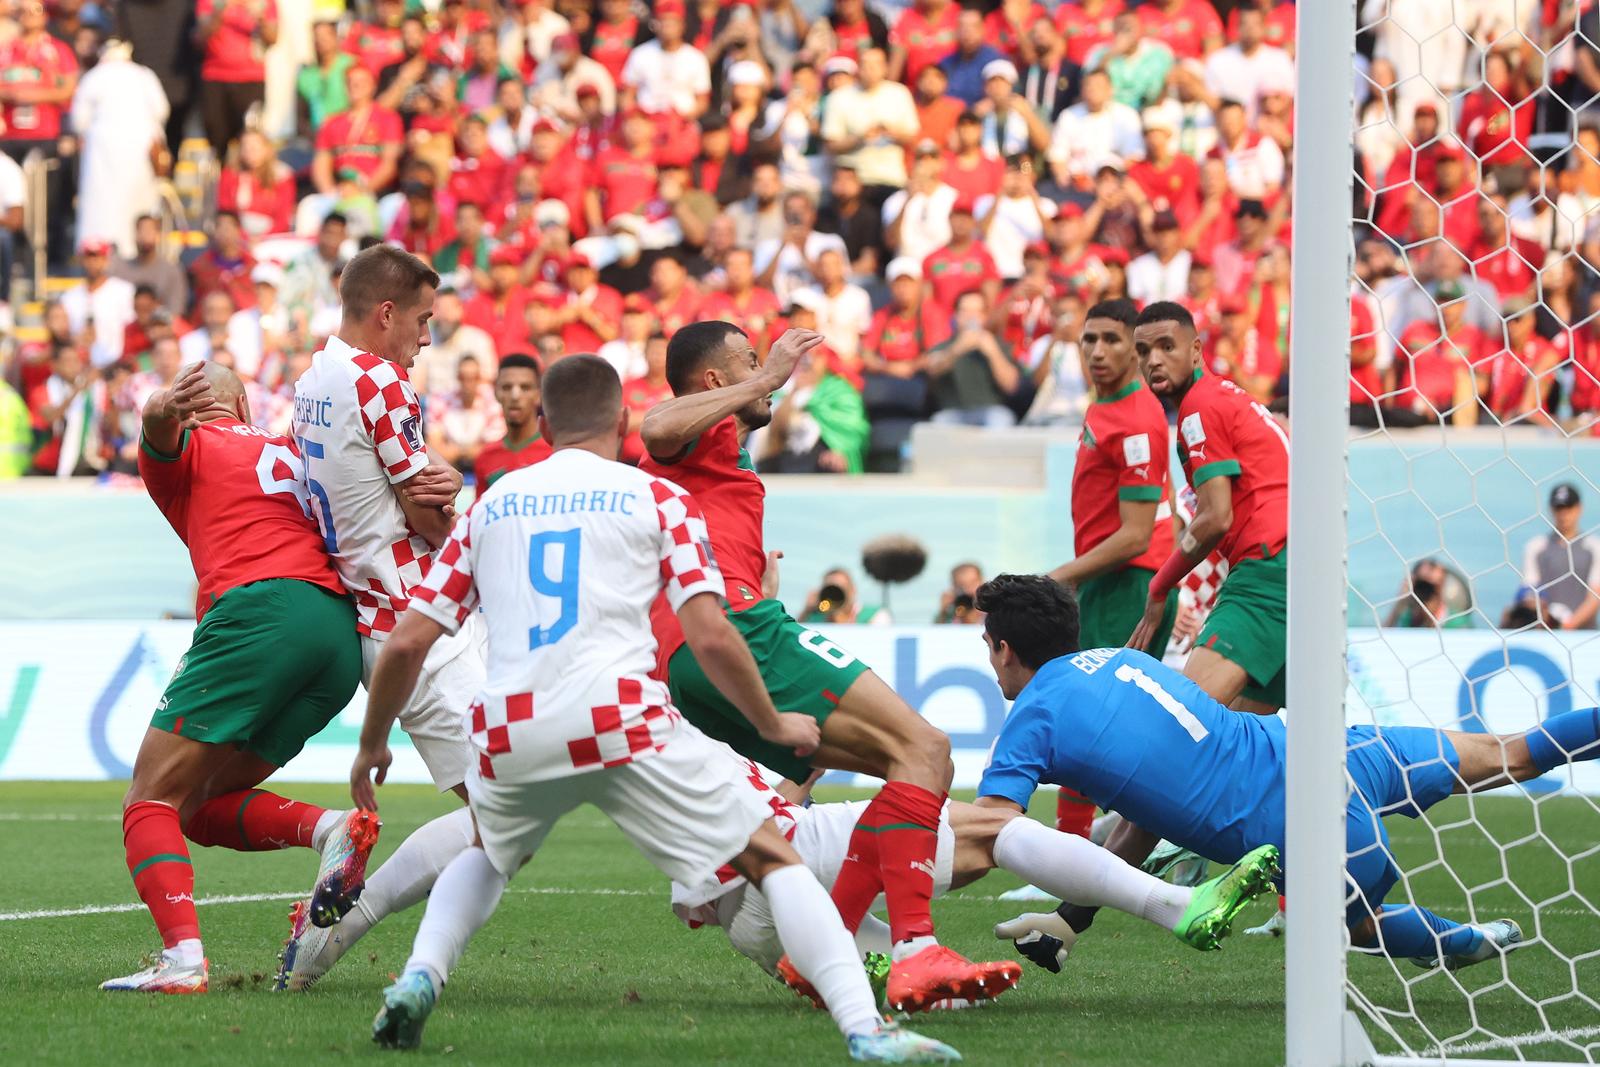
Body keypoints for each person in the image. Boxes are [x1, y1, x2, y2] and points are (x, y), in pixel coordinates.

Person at [352, 354, 958, 1064]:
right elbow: (709, 631)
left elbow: (405, 644)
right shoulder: (658, 499)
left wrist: (372, 744)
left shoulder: (492, 505)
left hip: (512, 726)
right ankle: (865, 1029)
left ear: (543, 423)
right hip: (621, 719)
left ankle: (421, 974)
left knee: (488, 848)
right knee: (770, 854)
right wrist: (771, 724)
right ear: (621, 423)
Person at [639, 323, 1022, 1013]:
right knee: (928, 750)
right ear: (715, 382)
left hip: (698, 656)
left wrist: (760, 577)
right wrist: (767, 379)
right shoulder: (699, 432)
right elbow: (655, 423)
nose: (769, 371)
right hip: (734, 631)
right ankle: (910, 950)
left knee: (892, 770)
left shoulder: (719, 459)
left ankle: (829, 950)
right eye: (747, 361)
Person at [971, 573, 1587, 972]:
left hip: (1304, 829)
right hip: (1334, 750)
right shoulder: (1123, 662)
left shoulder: (1032, 719)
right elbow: (1141, 818)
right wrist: (1069, 917)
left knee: (1358, 925)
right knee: (1513, 754)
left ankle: (1459, 940)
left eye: (987, 645)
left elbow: (990, 834)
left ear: (1003, 647)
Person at [102, 362, 372, 994]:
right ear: (246, 408)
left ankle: (183, 961)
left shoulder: (192, 447)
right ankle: (333, 828)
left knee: (150, 797)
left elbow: (156, 427)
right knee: (197, 805)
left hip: (259, 613)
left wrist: (163, 406)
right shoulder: (293, 455)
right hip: (336, 639)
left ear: (197, 410)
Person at [275, 246, 484, 991]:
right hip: (418, 620)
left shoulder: (313, 380)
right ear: (387, 313)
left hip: (384, 614)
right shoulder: (382, 381)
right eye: (423, 320)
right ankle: (335, 934)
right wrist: (451, 492)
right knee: (503, 818)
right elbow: (428, 517)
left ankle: (348, 942)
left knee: (509, 811)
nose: (428, 338)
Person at [673, 757, 1278, 978]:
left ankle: (868, 973)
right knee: (992, 828)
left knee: (938, 988)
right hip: (784, 850)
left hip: (744, 917)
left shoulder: (673, 706)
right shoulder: (717, 655)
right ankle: (1176, 906)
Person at [1046, 299, 1178, 839]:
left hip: (1130, 583)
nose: (1098, 351)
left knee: (1091, 720)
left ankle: (1074, 853)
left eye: (1113, 340)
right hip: (1111, 582)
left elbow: (1136, 535)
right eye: (1089, 339)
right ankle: (1089, 846)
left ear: (1135, 347)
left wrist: (1064, 575)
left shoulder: (1138, 420)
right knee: (1101, 720)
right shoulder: (1105, 407)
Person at [1129, 301, 1288, 714]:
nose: (1154, 361)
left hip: (1269, 571)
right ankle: (1476, 756)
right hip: (1301, 570)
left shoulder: (1200, 406)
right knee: (1252, 742)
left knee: (1179, 719)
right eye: (1144, 352)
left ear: (1197, 350)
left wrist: (1159, 586)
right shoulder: (1226, 397)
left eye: (1167, 346)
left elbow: (1216, 516)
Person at [71, 38, 168, 259]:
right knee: (136, 202)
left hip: (103, 151)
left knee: (103, 206)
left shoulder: (94, 76)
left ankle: (98, 252)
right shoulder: (144, 75)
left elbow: (78, 120)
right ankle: (130, 249)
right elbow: (162, 110)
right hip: (138, 148)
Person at [926, 291, 1024, 428]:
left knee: (1001, 420)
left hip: (991, 412)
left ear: (985, 316)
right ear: (955, 315)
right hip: (952, 413)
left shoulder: (999, 345)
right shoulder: (943, 346)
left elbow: (1011, 386)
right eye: (965, 311)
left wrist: (993, 353)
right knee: (938, 425)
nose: (971, 317)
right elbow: (932, 370)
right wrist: (957, 349)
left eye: (977, 312)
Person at [195, 0, 277, 160]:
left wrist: (259, 16)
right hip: (215, 76)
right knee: (216, 139)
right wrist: (222, 6)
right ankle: (222, 181)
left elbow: (273, 38)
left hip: (251, 78)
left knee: (250, 138)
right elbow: (202, 34)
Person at [1521, 483, 1600, 631]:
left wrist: (1567, 626)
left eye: (1568, 508)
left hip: (1585, 636)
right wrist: (1548, 621)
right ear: (1551, 509)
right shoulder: (1536, 547)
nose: (1564, 514)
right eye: (1559, 508)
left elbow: (1595, 596)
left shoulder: (1594, 547)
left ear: (1579, 508)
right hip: (1545, 633)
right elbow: (1530, 592)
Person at [473, 354, 551, 490]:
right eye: (507, 387)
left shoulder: (553, 453)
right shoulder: (485, 458)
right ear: (496, 392)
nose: (515, 396)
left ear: (539, 395)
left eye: (525, 387)